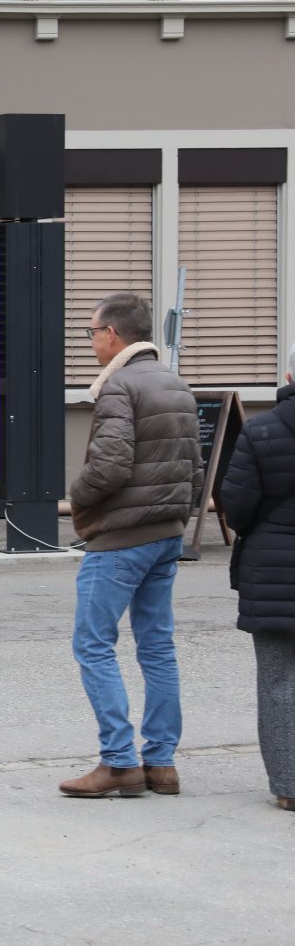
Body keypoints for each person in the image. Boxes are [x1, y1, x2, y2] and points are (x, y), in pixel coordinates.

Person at [60, 292, 203, 798]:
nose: (91, 341)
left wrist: (76, 496)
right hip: (166, 534)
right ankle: (161, 764)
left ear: (112, 335)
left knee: (93, 644)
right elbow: (195, 467)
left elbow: (109, 467)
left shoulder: (119, 385)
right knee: (157, 647)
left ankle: (119, 762)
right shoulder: (176, 382)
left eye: (92, 332)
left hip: (121, 537)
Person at [217, 342, 295, 814]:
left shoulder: (262, 430)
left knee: (278, 682)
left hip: (273, 573)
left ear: (288, 376)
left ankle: (289, 784)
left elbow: (236, 504)